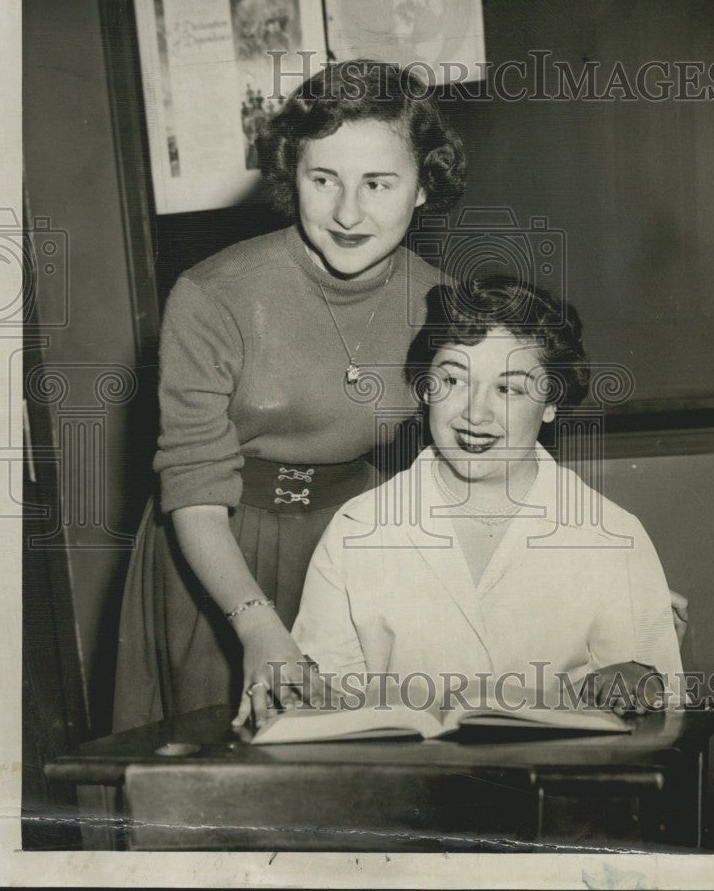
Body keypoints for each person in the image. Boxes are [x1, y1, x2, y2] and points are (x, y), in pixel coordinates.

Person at [112, 61, 466, 732]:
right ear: (291, 176)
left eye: (378, 183)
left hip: (352, 549)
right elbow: (192, 486)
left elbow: (470, 468)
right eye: (322, 179)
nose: (348, 212)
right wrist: (256, 627)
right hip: (215, 556)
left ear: (423, 186)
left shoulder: (444, 305)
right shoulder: (212, 294)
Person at [291, 276, 683, 713]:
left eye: (509, 388)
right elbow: (318, 711)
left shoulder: (611, 535)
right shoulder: (357, 528)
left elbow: (657, 716)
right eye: (453, 380)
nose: (475, 413)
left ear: (552, 402)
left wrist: (637, 688)